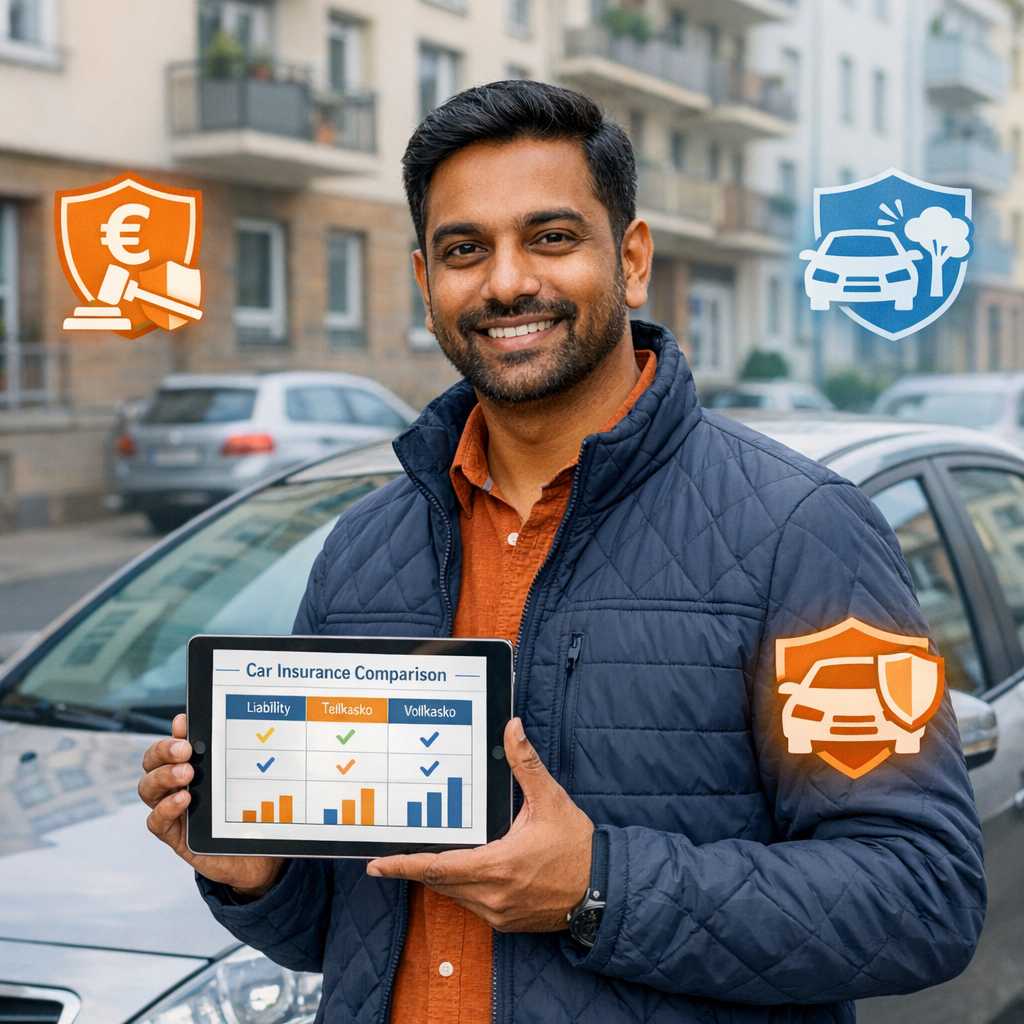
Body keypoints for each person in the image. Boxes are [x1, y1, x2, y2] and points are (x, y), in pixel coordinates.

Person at [139, 81, 985, 1024]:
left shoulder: (803, 533)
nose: (506, 282)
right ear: (426, 286)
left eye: (550, 237)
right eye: (466, 250)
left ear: (630, 259)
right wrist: (255, 877)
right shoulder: (363, 549)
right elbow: (354, 928)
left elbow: (919, 894)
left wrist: (599, 887)